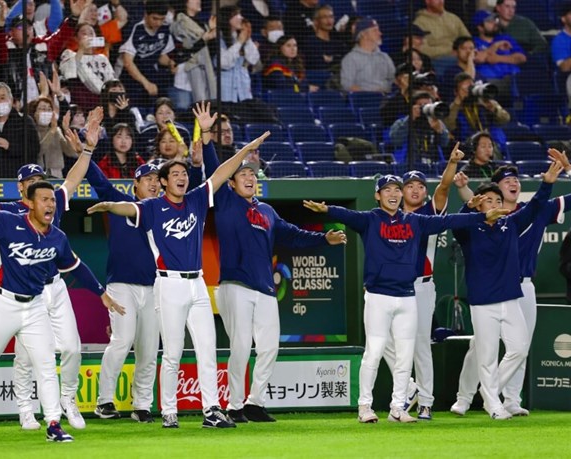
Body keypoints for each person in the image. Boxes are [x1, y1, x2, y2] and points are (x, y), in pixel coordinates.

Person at [86, 129, 273, 429]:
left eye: (184, 173)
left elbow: (222, 173)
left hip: (197, 282)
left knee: (207, 348)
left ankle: (211, 410)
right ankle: (169, 410)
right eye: (174, 174)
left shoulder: (197, 199)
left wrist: (246, 149)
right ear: (163, 182)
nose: (181, 177)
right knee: (172, 352)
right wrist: (109, 206)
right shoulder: (152, 207)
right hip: (168, 283)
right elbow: (127, 207)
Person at [303, 174, 510, 424]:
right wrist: (327, 209)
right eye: (387, 190)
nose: (393, 194)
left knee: (404, 356)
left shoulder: (414, 221)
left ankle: (397, 407)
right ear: (377, 195)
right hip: (379, 295)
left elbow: (449, 220)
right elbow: (347, 215)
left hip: (407, 296)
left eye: (396, 190)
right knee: (374, 352)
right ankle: (364, 406)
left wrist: (482, 216)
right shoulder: (370, 219)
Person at [0, 177, 122, 444]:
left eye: (53, 200)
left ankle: (53, 423)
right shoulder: (9, 223)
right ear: (30, 203)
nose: (50, 205)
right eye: (44, 200)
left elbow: (75, 266)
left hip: (34, 306)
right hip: (3, 303)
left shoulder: (57, 237)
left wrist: (101, 293)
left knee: (46, 365)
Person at [0, 110, 105, 431]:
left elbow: (74, 178)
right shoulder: (8, 212)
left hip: (54, 286)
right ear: (21, 187)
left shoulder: (53, 202)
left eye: (39, 180)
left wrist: (88, 149)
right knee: (24, 357)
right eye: (31, 182)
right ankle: (25, 409)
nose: (37, 185)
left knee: (71, 347)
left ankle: (68, 400)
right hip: (21, 290)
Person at [189, 102, 345, 423]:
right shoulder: (226, 200)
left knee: (270, 347)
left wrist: (324, 239)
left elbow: (295, 235)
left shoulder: (267, 212)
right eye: (243, 174)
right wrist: (206, 135)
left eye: (252, 174)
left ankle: (254, 402)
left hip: (264, 289)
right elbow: (215, 168)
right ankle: (233, 405)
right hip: (234, 284)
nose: (249, 178)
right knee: (240, 347)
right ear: (232, 182)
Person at [450, 160, 563, 419]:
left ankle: (490, 392)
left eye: (497, 201)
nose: (494, 204)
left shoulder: (510, 224)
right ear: (479, 205)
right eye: (488, 200)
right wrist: (468, 207)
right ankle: (492, 405)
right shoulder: (469, 229)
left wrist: (547, 183)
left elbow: (535, 207)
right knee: (486, 355)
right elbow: (455, 224)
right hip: (483, 302)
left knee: (520, 348)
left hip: (510, 298)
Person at [380, 148, 464, 421]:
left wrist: (452, 163)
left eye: (420, 186)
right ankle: (410, 388)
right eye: (409, 185)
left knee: (420, 346)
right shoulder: (390, 215)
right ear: (400, 191)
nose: (415, 190)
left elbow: (444, 188)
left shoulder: (429, 214)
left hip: (421, 286)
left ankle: (426, 401)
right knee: (384, 340)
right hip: (392, 286)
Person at [86, 159, 163, 422]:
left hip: (153, 287)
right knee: (122, 340)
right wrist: (84, 154)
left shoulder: (163, 210)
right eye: (148, 179)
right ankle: (104, 401)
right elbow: (99, 182)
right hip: (121, 285)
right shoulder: (121, 202)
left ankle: (142, 405)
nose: (154, 184)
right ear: (135, 184)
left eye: (157, 179)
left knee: (149, 348)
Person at [0, 82, 39, 178]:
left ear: (11, 99)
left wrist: (10, 146)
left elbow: (34, 149)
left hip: (20, 179)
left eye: (2, 98)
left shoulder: (25, 121)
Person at [118, 0, 175, 107]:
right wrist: (146, 83)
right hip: (129, 78)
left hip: (151, 73)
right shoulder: (135, 28)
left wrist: (170, 63)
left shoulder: (165, 28)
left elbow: (161, 56)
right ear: (146, 15)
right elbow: (128, 62)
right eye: (155, 18)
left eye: (162, 19)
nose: (158, 23)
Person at [169, 0, 218, 109]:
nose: (199, 1)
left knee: (204, 110)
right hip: (185, 75)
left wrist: (212, 32)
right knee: (184, 109)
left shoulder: (202, 24)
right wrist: (205, 38)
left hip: (203, 74)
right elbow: (185, 49)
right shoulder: (179, 23)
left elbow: (210, 52)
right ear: (185, 2)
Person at [58, 23, 116, 111]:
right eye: (84, 33)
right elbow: (69, 74)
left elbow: (111, 80)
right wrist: (81, 49)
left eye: (91, 33)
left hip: (103, 103)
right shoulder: (69, 54)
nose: (88, 36)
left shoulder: (102, 58)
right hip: (81, 104)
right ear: (76, 38)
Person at [445, 72, 510, 149]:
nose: (468, 92)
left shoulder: (483, 101)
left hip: (488, 146)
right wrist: (457, 104)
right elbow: (449, 126)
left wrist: (494, 109)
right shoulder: (453, 108)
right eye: (464, 89)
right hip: (466, 147)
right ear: (456, 92)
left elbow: (505, 119)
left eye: (470, 88)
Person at [389, 91, 450, 167]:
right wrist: (410, 119)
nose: (425, 108)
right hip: (408, 166)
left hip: (433, 166)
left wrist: (440, 131)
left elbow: (445, 143)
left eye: (428, 105)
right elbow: (396, 140)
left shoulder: (436, 122)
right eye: (421, 105)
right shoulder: (402, 122)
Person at [340, 18, 395, 93]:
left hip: (387, 98)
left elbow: (394, 81)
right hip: (364, 99)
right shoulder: (350, 59)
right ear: (364, 34)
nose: (380, 33)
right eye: (375, 30)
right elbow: (347, 86)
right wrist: (371, 93)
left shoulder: (385, 57)